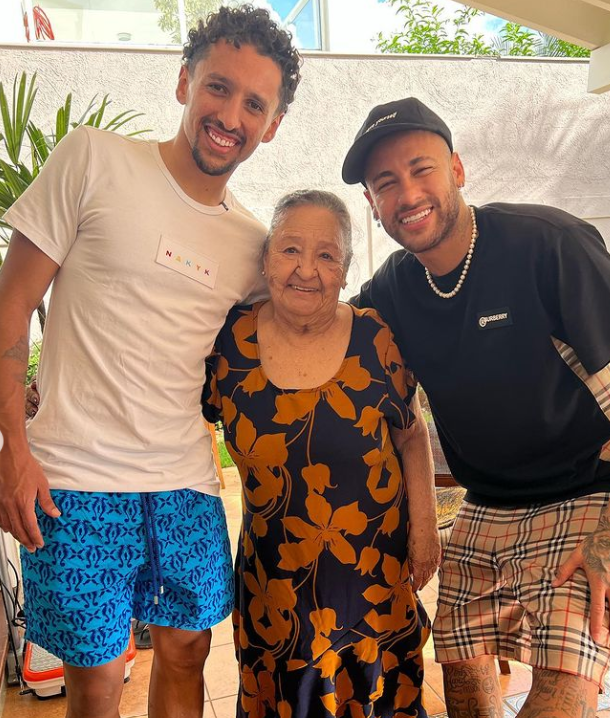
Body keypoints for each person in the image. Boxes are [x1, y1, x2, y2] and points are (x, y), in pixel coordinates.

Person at [0, 6, 301, 718]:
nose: (230, 114)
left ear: (273, 124)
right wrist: (13, 450)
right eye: (218, 88)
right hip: (73, 478)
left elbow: (291, 336)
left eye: (254, 103)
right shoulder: (92, 158)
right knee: (99, 678)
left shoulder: (253, 247)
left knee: (189, 653)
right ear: (183, 83)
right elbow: (10, 309)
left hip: (187, 486)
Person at [341, 96, 610, 717]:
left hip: (586, 496)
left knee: (559, 697)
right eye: (386, 183)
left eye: (421, 168)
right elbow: (328, 335)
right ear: (374, 204)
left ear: (457, 169)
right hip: (486, 506)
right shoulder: (393, 291)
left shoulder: (549, 246)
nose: (407, 193)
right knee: (462, 689)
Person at [202, 189, 441, 718]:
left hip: (373, 580)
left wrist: (424, 531)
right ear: (265, 261)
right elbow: (186, 424)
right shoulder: (229, 343)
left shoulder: (374, 338)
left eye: (326, 255)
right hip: (275, 588)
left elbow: (410, 433)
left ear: (345, 269)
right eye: (289, 250)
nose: (305, 270)